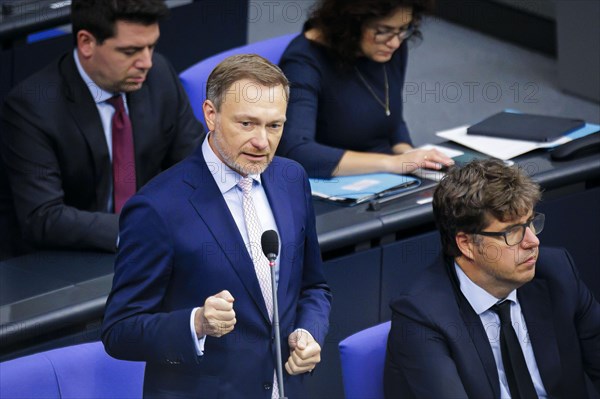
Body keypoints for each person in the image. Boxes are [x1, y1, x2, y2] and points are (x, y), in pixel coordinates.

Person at [101, 54, 332, 398]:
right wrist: (196, 323)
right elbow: (119, 331)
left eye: (274, 126)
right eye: (247, 124)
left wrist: (309, 331)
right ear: (211, 114)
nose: (262, 142)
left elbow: (314, 288)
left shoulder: (291, 177)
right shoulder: (157, 208)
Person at [0, 0, 203, 254]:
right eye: (130, 51)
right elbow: (44, 217)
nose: (146, 62)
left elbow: (196, 167)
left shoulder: (159, 76)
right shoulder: (32, 108)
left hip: (153, 246)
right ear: (87, 43)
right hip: (69, 261)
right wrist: (143, 226)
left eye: (151, 47)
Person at [384, 159, 600, 398]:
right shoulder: (422, 316)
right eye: (512, 232)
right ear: (466, 244)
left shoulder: (557, 272)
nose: (533, 241)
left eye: (530, 223)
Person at [276, 0, 454, 178]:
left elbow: (390, 115)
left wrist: (408, 153)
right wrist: (392, 163)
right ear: (351, 23)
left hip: (385, 174)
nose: (395, 43)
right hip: (333, 180)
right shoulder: (303, 62)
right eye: (383, 31)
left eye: (403, 29)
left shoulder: (388, 47)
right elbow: (296, 151)